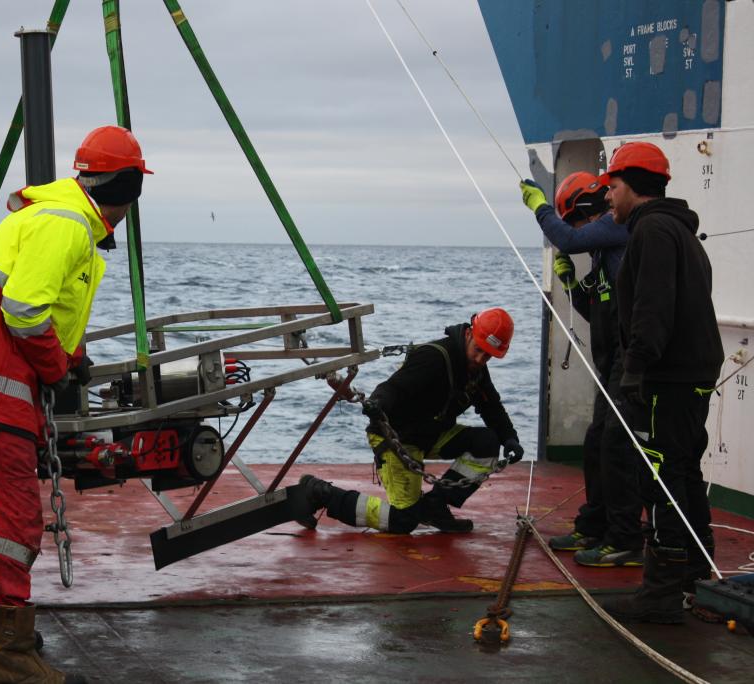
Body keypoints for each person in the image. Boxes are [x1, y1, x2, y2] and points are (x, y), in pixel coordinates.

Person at [0, 125, 150, 682]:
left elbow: (39, 306)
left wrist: (67, 355)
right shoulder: (66, 224)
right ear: (126, 187)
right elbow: (25, 310)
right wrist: (56, 366)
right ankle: (13, 659)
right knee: (15, 525)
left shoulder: (47, 215)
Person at [595, 141, 724, 624]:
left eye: (613, 185)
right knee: (685, 469)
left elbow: (652, 305)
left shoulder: (650, 231)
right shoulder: (682, 232)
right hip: (695, 373)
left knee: (661, 476)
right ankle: (696, 570)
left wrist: (636, 366)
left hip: (665, 377)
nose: (608, 196)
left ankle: (662, 591)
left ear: (634, 186)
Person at [296, 308, 524, 535]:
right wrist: (378, 405)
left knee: (487, 443)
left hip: (431, 434)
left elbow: (491, 406)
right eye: (478, 350)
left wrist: (509, 437)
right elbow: (393, 388)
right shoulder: (434, 357)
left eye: (488, 356)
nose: (480, 359)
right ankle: (322, 494)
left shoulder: (476, 371)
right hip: (398, 437)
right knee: (403, 521)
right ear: (468, 335)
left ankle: (435, 505)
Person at [520, 174, 644, 568]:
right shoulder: (606, 254)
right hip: (610, 363)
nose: (577, 233)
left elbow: (569, 240)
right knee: (596, 442)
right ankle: (594, 524)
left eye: (574, 221)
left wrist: (538, 206)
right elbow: (597, 314)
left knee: (616, 445)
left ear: (585, 212)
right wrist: (573, 286)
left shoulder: (614, 226)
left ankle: (625, 537)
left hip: (628, 362)